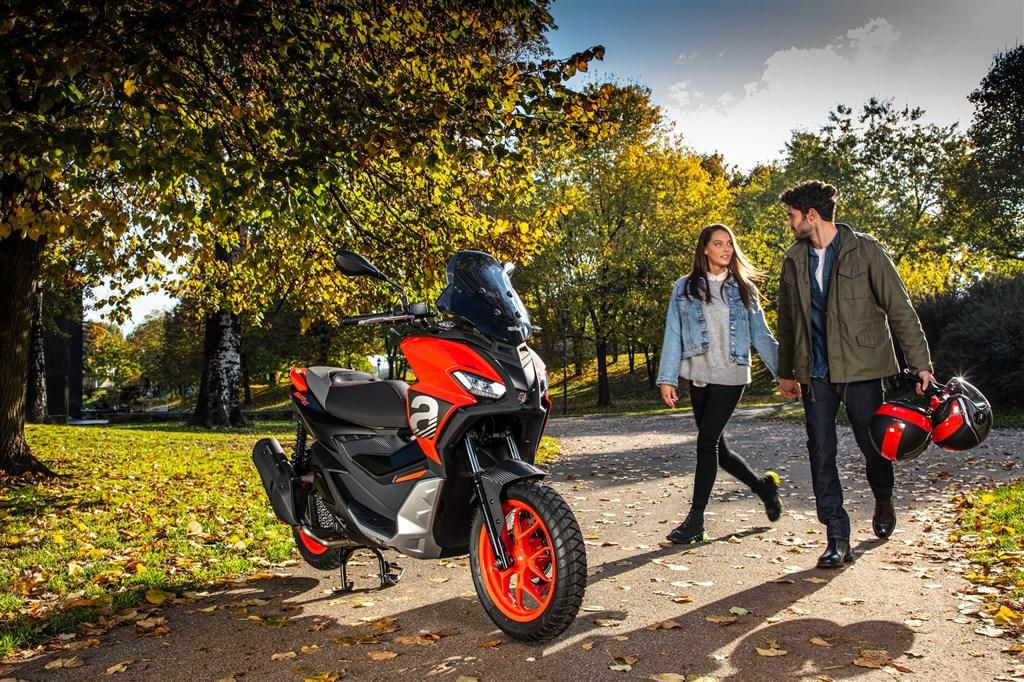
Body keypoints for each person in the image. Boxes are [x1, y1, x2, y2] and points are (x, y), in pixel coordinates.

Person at [775, 180, 933, 569]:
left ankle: (884, 496)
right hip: (816, 372)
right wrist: (786, 372)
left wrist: (921, 364)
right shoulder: (793, 260)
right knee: (820, 450)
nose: (790, 224)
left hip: (863, 368)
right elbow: (788, 320)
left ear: (812, 215)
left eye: (792, 217)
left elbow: (899, 308)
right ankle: (837, 535)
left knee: (873, 445)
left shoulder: (866, 250)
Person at [656, 223, 784, 545]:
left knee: (707, 442)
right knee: (719, 450)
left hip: (731, 373)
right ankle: (763, 487)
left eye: (729, 244)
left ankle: (696, 520)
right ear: (705, 249)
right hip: (699, 375)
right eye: (718, 243)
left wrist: (785, 374)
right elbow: (673, 332)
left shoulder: (743, 288)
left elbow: (762, 335)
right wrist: (667, 378)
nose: (726, 249)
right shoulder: (684, 287)